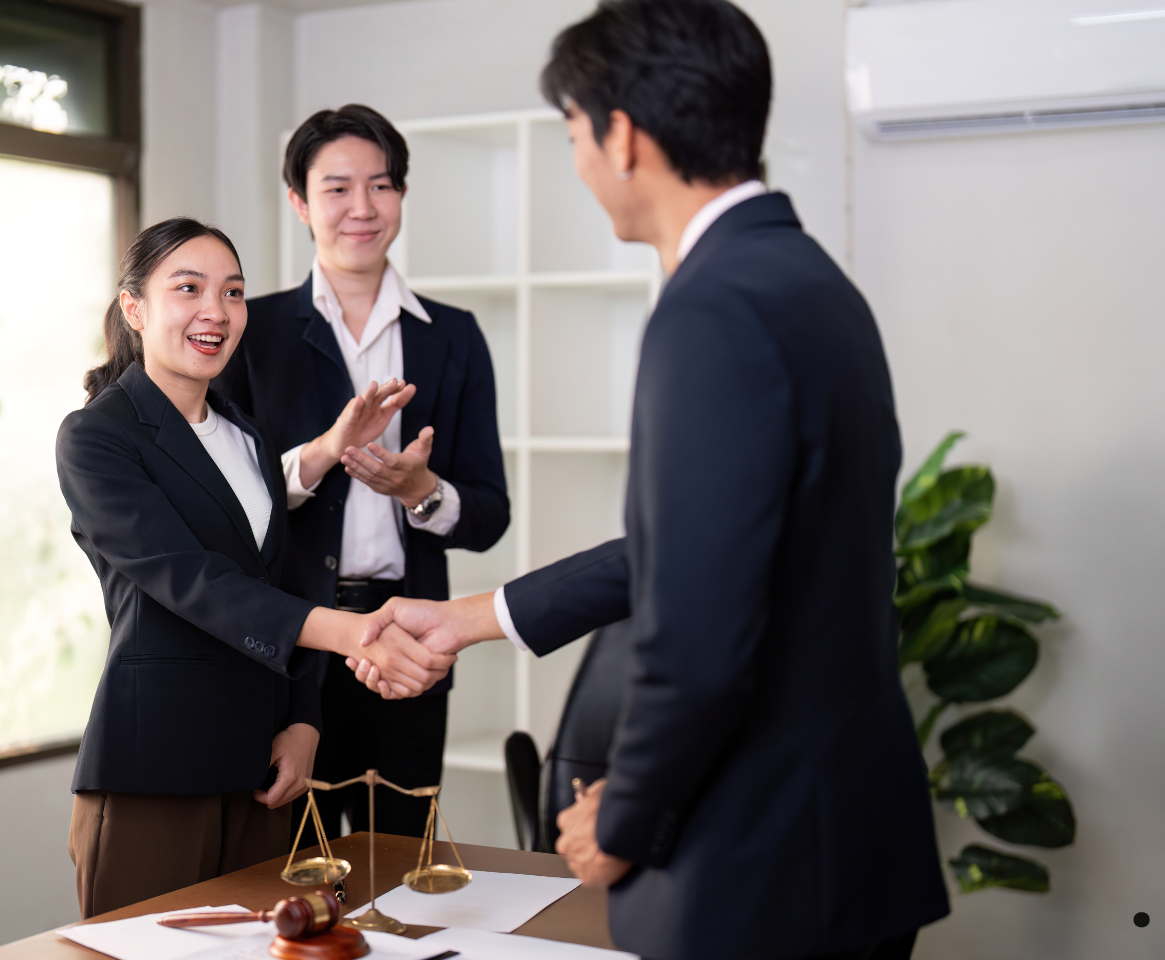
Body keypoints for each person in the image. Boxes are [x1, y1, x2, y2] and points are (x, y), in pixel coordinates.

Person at [351, 2, 951, 958]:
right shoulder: (814, 287)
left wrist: (622, 815)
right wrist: (475, 616)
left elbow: (700, 636)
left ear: (622, 136)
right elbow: (705, 547)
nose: (581, 163)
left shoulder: (709, 312)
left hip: (760, 863)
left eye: (575, 133)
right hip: (847, 844)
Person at [55, 217, 455, 919]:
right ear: (134, 308)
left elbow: (286, 580)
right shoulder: (96, 437)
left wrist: (304, 721)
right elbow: (190, 581)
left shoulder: (246, 434)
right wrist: (353, 633)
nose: (217, 311)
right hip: (157, 767)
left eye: (233, 292)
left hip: (265, 771)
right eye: (190, 289)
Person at [216, 105, 509, 840]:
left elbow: (488, 513)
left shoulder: (454, 337)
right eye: (337, 188)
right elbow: (225, 506)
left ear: (401, 198)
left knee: (406, 858)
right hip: (295, 635)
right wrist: (318, 458)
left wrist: (423, 493)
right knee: (291, 866)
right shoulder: (254, 331)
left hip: (413, 633)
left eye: (381, 186)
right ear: (299, 203)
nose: (361, 209)